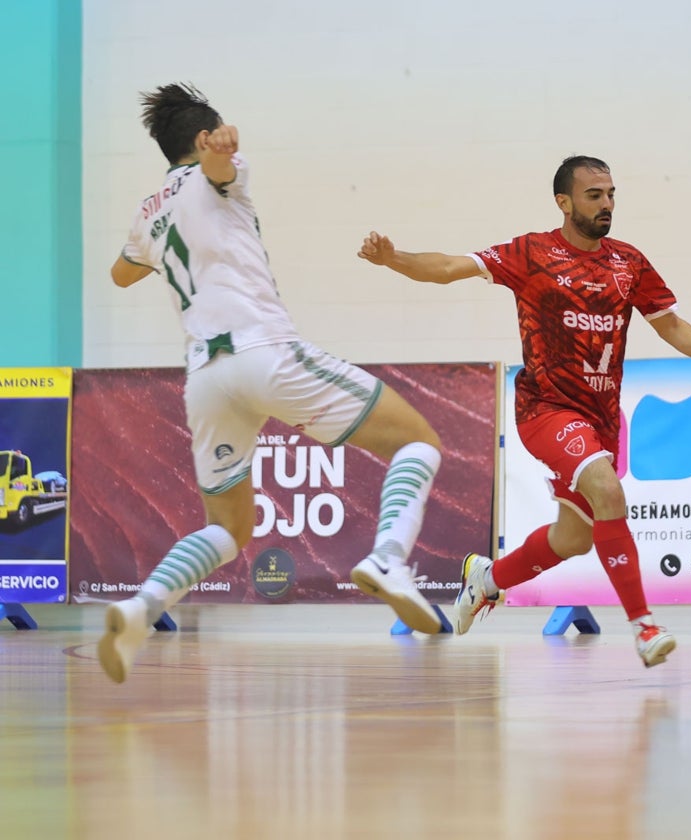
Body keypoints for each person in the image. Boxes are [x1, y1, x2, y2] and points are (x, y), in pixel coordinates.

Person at [98, 83, 447, 684]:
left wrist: (157, 232)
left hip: (205, 379)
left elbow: (120, 274)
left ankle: (139, 608)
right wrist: (223, 152)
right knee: (418, 443)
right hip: (264, 353)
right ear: (204, 136)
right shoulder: (221, 172)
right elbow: (219, 168)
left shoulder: (148, 209)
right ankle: (389, 559)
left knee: (229, 528)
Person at [358, 155, 691, 666]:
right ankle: (644, 626)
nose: (607, 204)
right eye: (595, 195)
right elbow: (448, 268)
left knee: (573, 539)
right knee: (607, 488)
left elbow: (670, 325)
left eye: (612, 193)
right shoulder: (531, 253)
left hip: (602, 419)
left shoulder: (628, 263)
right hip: (545, 410)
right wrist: (394, 258)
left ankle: (488, 579)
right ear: (564, 202)